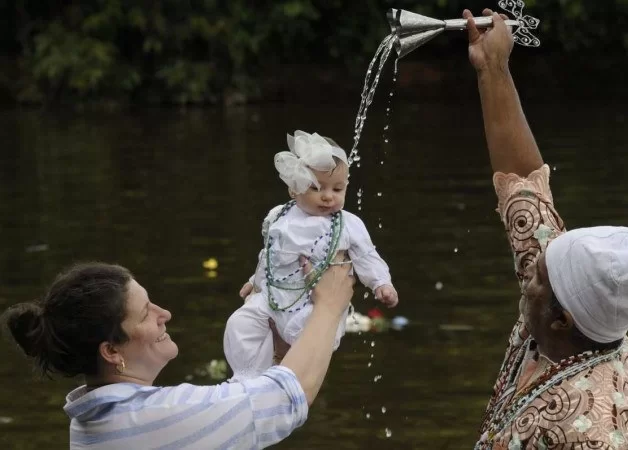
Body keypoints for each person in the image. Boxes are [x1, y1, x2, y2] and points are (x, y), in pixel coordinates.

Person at [464, 9, 628, 449]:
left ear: (562, 320)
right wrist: (493, 68)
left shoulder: (598, 433)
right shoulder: (568, 315)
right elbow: (522, 182)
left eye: (538, 276)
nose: (529, 268)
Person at [0, 261, 354, 449]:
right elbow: (286, 398)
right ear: (111, 351)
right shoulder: (146, 418)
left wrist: (275, 352)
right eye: (145, 314)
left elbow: (235, 406)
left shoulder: (103, 418)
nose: (164, 313)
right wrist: (330, 305)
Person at [224, 130, 398, 381]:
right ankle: (249, 377)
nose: (328, 196)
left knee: (307, 337)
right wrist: (255, 280)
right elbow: (271, 254)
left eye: (337, 189)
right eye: (317, 188)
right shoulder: (278, 215)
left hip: (312, 305)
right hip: (274, 295)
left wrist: (381, 283)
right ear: (294, 189)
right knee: (241, 324)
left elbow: (367, 256)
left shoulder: (347, 224)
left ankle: (288, 377)